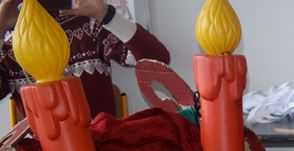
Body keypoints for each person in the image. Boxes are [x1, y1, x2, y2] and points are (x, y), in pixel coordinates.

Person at [0, 0, 170, 118]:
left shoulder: (89, 25)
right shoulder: (8, 45)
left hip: (101, 146)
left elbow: (157, 60)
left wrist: (106, 15)